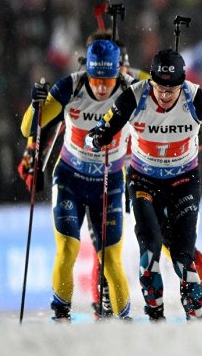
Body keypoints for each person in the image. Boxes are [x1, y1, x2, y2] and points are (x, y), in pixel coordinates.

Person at [85, 48, 202, 320]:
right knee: (148, 247)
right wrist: (98, 137)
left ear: (182, 82)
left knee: (184, 253)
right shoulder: (134, 96)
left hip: (183, 182)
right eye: (160, 87)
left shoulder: (195, 97)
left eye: (171, 89)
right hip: (143, 182)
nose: (164, 94)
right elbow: (94, 135)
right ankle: (152, 314)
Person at [18, 39, 134, 320]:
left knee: (111, 260)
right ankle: (60, 314)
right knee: (68, 249)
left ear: (118, 73)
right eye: (96, 79)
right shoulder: (71, 85)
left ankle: (126, 320)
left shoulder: (131, 90)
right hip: (70, 179)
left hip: (109, 182)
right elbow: (27, 129)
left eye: (108, 80)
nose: (102, 87)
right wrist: (36, 105)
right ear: (88, 73)